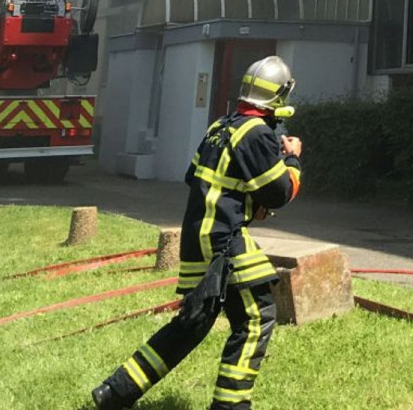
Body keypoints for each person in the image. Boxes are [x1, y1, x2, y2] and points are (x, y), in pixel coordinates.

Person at [91, 56, 304, 410]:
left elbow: (205, 181)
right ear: (279, 96)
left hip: (198, 238)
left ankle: (115, 392)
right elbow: (280, 192)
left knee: (191, 325)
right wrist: (293, 159)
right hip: (224, 241)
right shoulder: (258, 134)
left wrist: (248, 205)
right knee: (256, 317)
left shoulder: (219, 127)